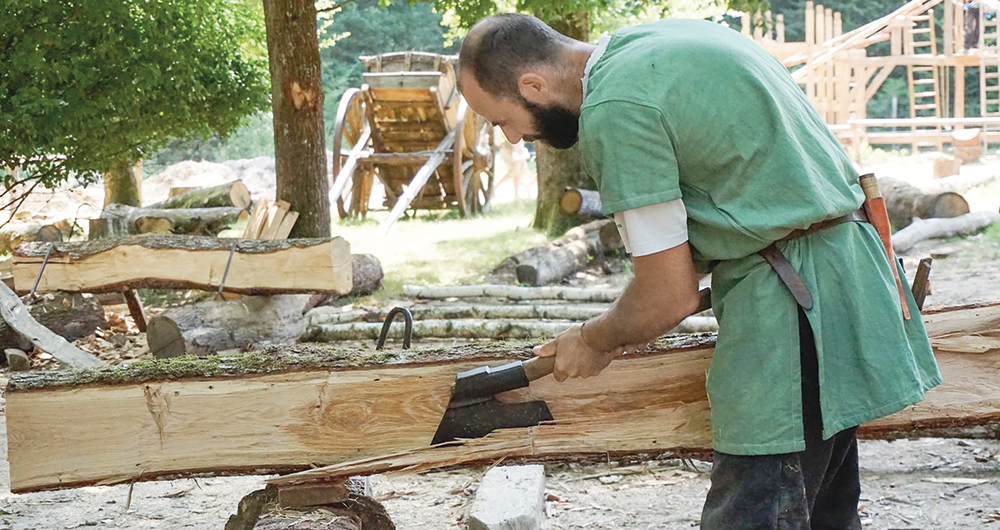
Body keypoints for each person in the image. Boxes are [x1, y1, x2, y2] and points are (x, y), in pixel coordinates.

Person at [457, 13, 942, 529]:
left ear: (533, 84)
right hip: (847, 276)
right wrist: (618, 325)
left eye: (501, 120)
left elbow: (668, 296)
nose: (510, 139)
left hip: (795, 309)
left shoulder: (616, 109)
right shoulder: (663, 41)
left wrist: (592, 339)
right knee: (823, 514)